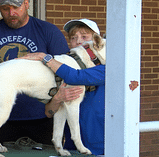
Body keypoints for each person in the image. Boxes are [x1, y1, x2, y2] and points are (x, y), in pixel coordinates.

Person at [0, 0, 81, 145]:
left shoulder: (48, 31)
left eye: (16, 7)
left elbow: (66, 74)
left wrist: (61, 123)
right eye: (5, 8)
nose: (11, 13)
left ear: (27, 4)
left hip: (43, 117)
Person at [19, 19, 105, 155]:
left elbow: (76, 77)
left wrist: (45, 58)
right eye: (73, 38)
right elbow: (48, 112)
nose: (78, 41)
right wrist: (57, 98)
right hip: (72, 147)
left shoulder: (106, 69)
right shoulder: (64, 67)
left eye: (84, 37)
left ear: (97, 41)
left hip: (100, 147)